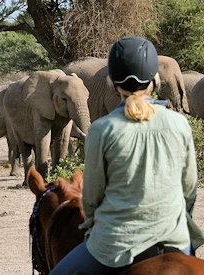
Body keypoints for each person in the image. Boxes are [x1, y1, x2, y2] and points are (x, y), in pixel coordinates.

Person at [50, 36, 204, 274]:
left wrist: (93, 225)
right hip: (173, 239)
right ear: (155, 80)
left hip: (114, 244)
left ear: (111, 83)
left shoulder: (100, 130)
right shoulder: (179, 124)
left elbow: (91, 198)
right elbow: (189, 190)